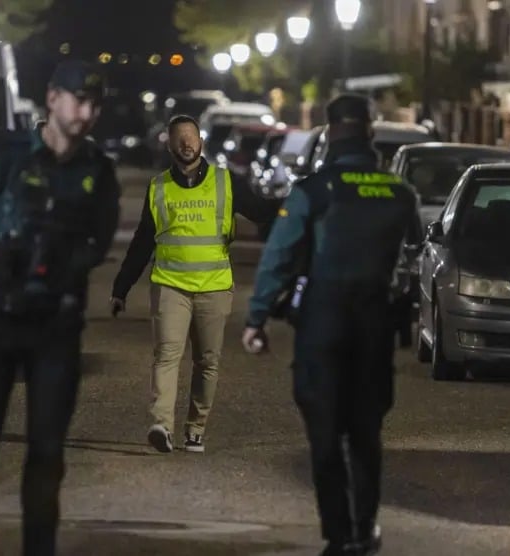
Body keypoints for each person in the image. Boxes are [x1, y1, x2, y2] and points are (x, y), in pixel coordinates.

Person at [0, 59, 120, 556]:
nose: (85, 113)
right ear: (52, 99)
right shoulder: (6, 159)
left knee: (46, 452)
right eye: (78, 100)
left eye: (94, 105)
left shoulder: (97, 172)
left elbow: (100, 239)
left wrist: (62, 262)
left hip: (54, 329)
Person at [241, 93, 420, 556]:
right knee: (365, 433)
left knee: (324, 433)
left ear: (329, 133)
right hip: (374, 322)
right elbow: (416, 255)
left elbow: (279, 255)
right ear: (370, 132)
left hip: (323, 318)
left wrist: (257, 317)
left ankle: (338, 535)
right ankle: (365, 529)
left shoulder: (314, 191)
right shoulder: (399, 193)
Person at [109, 114, 278, 454]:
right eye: (179, 138)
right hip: (170, 285)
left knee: (207, 361)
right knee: (166, 355)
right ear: (169, 144)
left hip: (214, 287)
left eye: (192, 137)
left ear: (201, 141)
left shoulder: (226, 182)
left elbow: (262, 211)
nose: (186, 143)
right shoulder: (158, 187)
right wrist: (120, 288)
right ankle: (161, 425)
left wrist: (299, 203)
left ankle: (195, 428)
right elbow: (143, 241)